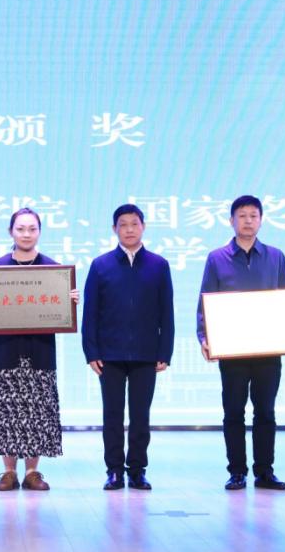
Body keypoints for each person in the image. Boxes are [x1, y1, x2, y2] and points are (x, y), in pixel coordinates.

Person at [196, 194, 285, 491]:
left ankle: (264, 471)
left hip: (268, 350)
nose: (248, 221)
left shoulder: (276, 256)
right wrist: (205, 337)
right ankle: (237, 472)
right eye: (242, 216)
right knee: (233, 412)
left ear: (261, 220)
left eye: (253, 216)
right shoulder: (217, 258)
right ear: (231, 221)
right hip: (232, 350)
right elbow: (206, 300)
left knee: (265, 412)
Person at [0, 208, 80, 492]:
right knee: (5, 412)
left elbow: (60, 312)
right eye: (20, 229)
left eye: (32, 229)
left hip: (39, 351)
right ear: (11, 232)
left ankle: (32, 472)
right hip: (4, 351)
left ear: (39, 232)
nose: (26, 234)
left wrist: (68, 302)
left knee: (36, 412)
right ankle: (8, 472)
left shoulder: (54, 271)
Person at [82, 203, 174, 491]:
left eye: (135, 224)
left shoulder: (159, 265)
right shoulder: (101, 265)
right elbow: (90, 312)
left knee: (140, 416)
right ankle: (113, 470)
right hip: (109, 354)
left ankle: (137, 470)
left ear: (143, 227)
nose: (129, 229)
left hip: (146, 353)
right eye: (123, 224)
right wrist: (91, 352)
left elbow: (166, 312)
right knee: (112, 414)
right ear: (114, 229)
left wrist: (165, 351)